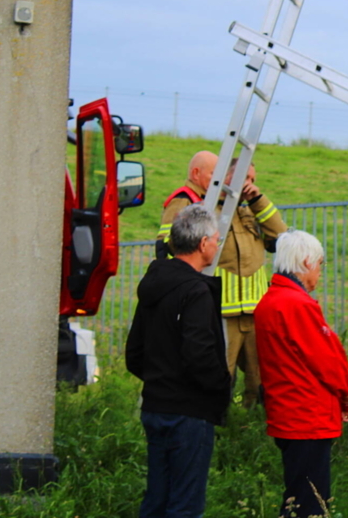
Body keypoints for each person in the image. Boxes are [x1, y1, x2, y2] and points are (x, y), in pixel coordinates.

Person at [157, 153, 287, 408]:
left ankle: (250, 431)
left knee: (261, 379)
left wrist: (257, 200)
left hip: (255, 311)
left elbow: (280, 237)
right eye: (242, 177)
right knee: (217, 377)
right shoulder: (198, 206)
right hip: (218, 313)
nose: (247, 183)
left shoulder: (248, 206)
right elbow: (169, 249)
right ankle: (217, 432)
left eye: (251, 178)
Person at [125, 204, 231, 518]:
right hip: (189, 413)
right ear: (202, 244)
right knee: (185, 505)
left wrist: (160, 380)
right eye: (215, 239)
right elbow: (199, 355)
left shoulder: (154, 284)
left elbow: (134, 354)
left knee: (157, 501)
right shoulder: (195, 291)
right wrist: (221, 387)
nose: (216, 244)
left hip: (156, 407)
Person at [255, 230, 348, 518]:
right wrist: (346, 394)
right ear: (305, 262)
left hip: (288, 414)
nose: (320, 271)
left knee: (297, 496)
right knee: (310, 503)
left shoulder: (271, 300)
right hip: (307, 417)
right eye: (320, 263)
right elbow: (327, 359)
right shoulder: (296, 304)